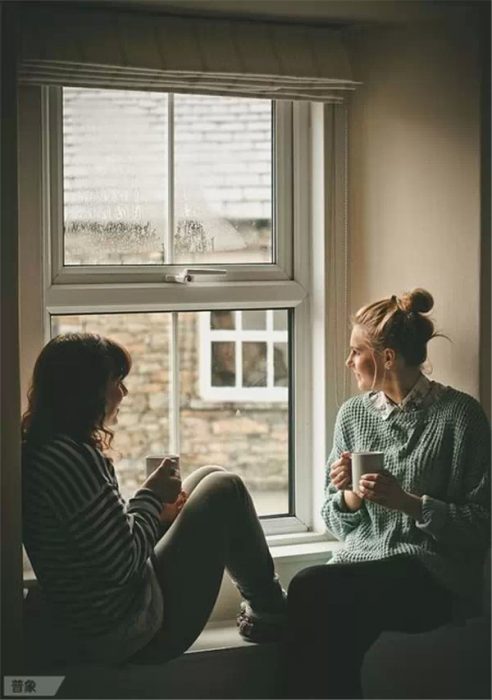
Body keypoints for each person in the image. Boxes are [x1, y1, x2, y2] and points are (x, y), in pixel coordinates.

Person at [21, 333, 286, 667]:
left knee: (209, 474)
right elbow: (123, 563)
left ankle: (267, 607)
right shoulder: (70, 459)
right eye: (116, 382)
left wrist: (156, 511)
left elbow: (102, 545)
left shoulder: (46, 449)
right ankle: (271, 611)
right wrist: (151, 496)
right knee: (225, 487)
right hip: (132, 630)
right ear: (88, 392)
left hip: (110, 615)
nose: (124, 393)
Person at [285, 288, 490, 699]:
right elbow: (336, 518)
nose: (348, 361)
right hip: (362, 565)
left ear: (388, 358)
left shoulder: (461, 416)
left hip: (432, 576)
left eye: (355, 351)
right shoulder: (353, 414)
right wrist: (351, 496)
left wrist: (409, 504)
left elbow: (480, 526)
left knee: (312, 592)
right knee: (323, 611)